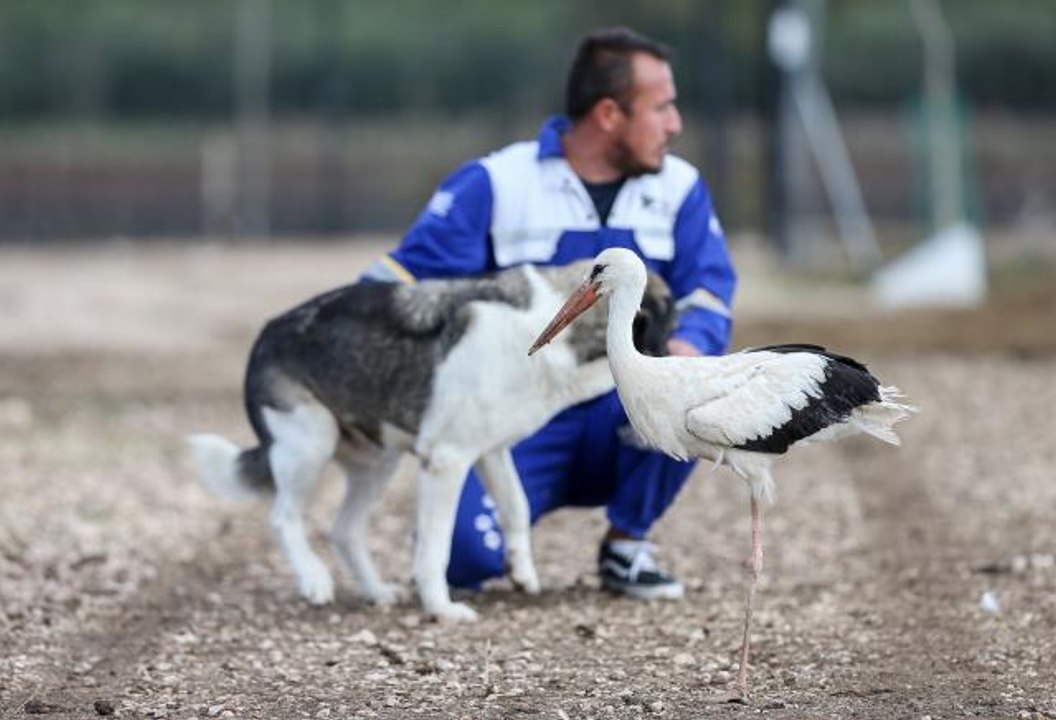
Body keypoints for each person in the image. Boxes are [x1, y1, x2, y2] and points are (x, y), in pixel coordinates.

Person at [361, 27, 737, 600]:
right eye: (661, 107)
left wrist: (691, 343)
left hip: (626, 410)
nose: (675, 124)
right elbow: (399, 285)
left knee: (703, 396)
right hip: (513, 420)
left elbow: (709, 292)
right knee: (467, 559)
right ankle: (496, 537)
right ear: (609, 113)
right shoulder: (496, 183)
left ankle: (627, 543)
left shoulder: (681, 188)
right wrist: (338, 348)